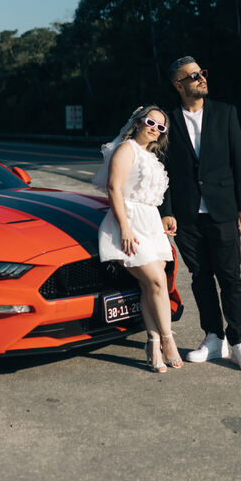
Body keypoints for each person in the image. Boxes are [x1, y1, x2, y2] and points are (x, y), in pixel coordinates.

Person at [160, 57, 241, 372]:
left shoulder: (225, 113)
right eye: (192, 76)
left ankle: (240, 342)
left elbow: (239, 162)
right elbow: (160, 169)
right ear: (179, 85)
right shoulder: (167, 118)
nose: (200, 78)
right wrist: (166, 211)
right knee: (201, 277)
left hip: (223, 210)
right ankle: (214, 338)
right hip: (187, 215)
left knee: (230, 277)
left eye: (201, 72)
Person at [93, 105, 182, 373]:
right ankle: (168, 340)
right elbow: (113, 188)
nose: (155, 128)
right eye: (150, 122)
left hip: (150, 223)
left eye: (160, 126)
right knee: (155, 280)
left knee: (152, 286)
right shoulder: (127, 149)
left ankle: (153, 342)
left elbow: (154, 197)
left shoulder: (152, 156)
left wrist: (165, 217)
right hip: (128, 222)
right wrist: (125, 227)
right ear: (138, 122)